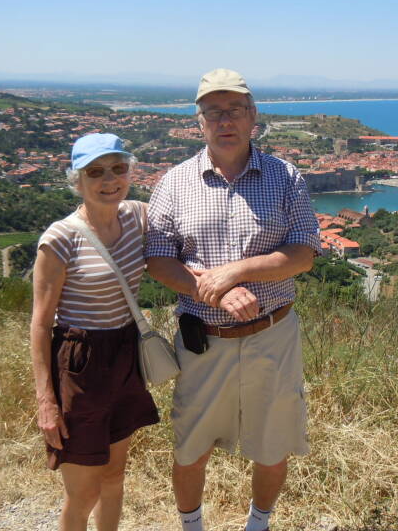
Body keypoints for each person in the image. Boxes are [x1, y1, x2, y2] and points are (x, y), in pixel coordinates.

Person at [145, 69, 321, 531]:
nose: (226, 121)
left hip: (273, 335)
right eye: (214, 112)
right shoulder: (174, 183)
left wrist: (236, 272)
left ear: (253, 116)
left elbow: (304, 254)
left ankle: (257, 525)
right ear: (199, 120)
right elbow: (159, 261)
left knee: (273, 443)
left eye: (235, 110)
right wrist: (218, 294)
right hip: (204, 338)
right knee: (190, 446)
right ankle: (192, 527)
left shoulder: (286, 177)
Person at [30, 132, 160, 531]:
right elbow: (39, 323)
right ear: (78, 181)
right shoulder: (60, 239)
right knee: (83, 492)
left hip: (124, 353)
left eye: (118, 169)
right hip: (80, 361)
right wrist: (46, 402)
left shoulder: (137, 215)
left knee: (114, 478)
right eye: (96, 172)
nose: (110, 180)